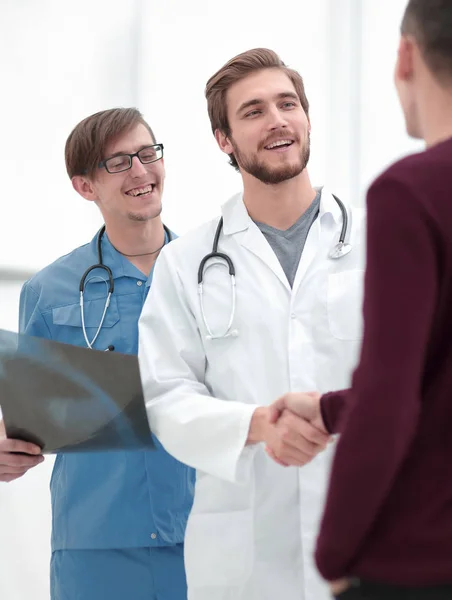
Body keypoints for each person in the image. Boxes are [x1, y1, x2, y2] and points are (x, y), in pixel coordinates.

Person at [137, 49, 367, 600]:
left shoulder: (379, 239)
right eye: (253, 111)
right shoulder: (186, 261)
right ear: (224, 140)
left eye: (288, 104)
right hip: (244, 561)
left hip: (369, 537)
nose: (277, 120)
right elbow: (162, 396)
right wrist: (260, 425)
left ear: (308, 119)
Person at [272, 1, 452, 598]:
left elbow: (393, 394)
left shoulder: (412, 192)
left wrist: (334, 553)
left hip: (421, 559)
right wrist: (330, 410)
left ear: (406, 55)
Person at [9, 108, 194, 600]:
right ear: (85, 186)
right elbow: (31, 418)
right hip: (96, 545)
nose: (140, 170)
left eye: (147, 153)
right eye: (117, 162)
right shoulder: (49, 291)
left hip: (206, 531)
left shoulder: (210, 273)